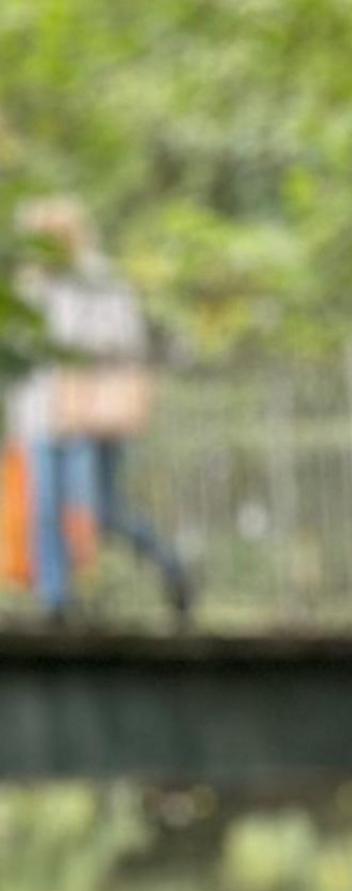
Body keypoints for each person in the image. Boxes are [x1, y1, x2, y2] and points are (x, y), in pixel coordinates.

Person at [12, 199, 193, 626]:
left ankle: (171, 566)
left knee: (100, 512)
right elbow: (21, 362)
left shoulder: (100, 280)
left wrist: (75, 351)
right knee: (46, 510)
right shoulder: (30, 287)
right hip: (42, 416)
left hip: (90, 416)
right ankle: (56, 605)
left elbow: (125, 340)